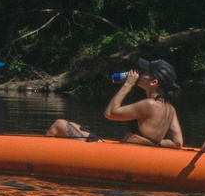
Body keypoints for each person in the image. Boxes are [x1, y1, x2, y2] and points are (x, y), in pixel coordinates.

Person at [49, 59, 183, 146]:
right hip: (129, 153)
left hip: (123, 155)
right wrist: (153, 143)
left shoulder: (150, 104)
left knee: (59, 124)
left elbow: (110, 113)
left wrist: (128, 85)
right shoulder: (170, 109)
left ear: (154, 82)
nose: (140, 73)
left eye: (145, 72)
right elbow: (177, 142)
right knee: (72, 125)